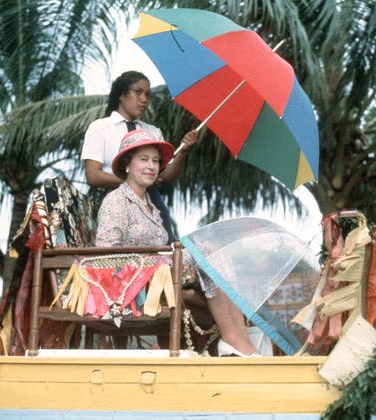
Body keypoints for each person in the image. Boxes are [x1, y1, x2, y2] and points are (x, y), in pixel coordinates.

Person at [96, 129, 260, 357]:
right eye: (143, 159)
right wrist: (150, 259)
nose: (151, 166)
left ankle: (238, 340)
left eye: (155, 161)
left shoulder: (151, 206)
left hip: (160, 272)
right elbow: (106, 254)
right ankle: (233, 340)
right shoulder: (116, 201)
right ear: (127, 164)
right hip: (134, 279)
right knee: (208, 255)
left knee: (216, 256)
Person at [81, 70, 199, 242]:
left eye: (148, 95)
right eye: (138, 92)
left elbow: (166, 177)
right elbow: (92, 175)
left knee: (167, 252)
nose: (144, 99)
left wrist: (184, 150)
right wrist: (134, 184)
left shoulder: (152, 131)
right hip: (113, 199)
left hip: (151, 203)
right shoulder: (100, 127)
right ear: (122, 94)